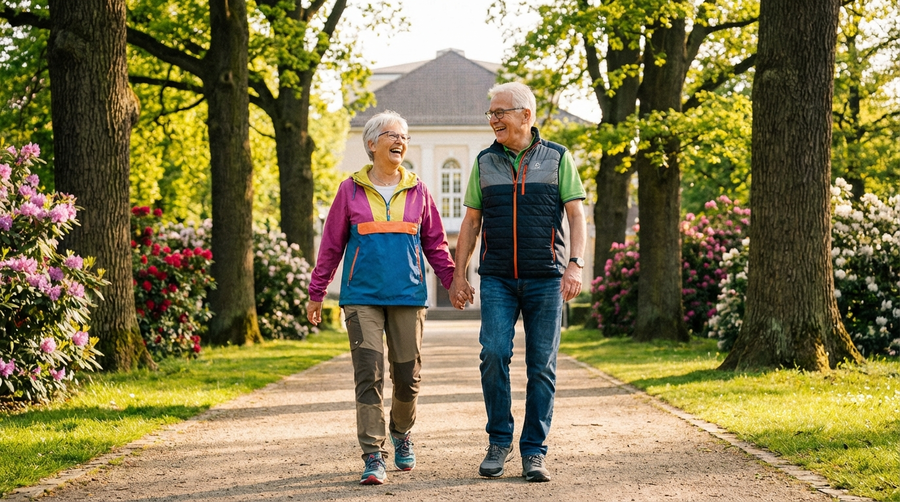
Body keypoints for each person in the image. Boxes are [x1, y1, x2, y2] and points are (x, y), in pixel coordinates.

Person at [306, 110, 455, 486]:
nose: (400, 140)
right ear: (372, 144)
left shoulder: (419, 190)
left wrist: (453, 282)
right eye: (392, 134)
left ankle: (401, 432)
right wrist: (317, 291)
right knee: (368, 374)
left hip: (408, 295)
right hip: (362, 297)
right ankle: (373, 453)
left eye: (404, 135)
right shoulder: (349, 190)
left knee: (407, 377)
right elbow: (331, 245)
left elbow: (435, 244)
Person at [450, 82, 587, 483]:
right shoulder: (484, 162)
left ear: (526, 115)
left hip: (546, 277)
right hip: (497, 278)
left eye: (500, 112)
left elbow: (576, 215)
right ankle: (499, 441)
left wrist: (575, 265)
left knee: (541, 366)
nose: (493, 119)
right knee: (493, 354)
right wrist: (459, 274)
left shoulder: (558, 157)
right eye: (490, 113)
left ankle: (534, 451)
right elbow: (471, 222)